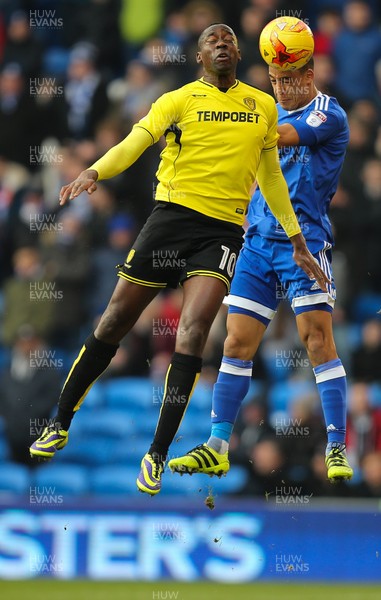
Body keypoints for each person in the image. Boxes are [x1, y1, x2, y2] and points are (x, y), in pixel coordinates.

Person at [29, 24, 328, 495]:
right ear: (199, 56)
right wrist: (94, 171)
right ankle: (60, 420)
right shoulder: (178, 100)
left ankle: (157, 453)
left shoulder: (262, 106)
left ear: (239, 51)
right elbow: (135, 141)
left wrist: (296, 238)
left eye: (229, 38)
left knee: (192, 333)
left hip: (223, 232)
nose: (223, 42)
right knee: (114, 320)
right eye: (212, 39)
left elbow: (270, 174)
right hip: (170, 219)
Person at [168, 56, 354, 484]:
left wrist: (224, 123)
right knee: (235, 343)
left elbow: (284, 135)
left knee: (317, 340)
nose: (282, 89)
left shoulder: (328, 113)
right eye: (274, 81)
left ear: (309, 76)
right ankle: (217, 446)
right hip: (257, 246)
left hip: (303, 244)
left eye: (289, 80)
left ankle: (337, 444)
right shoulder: (263, 111)